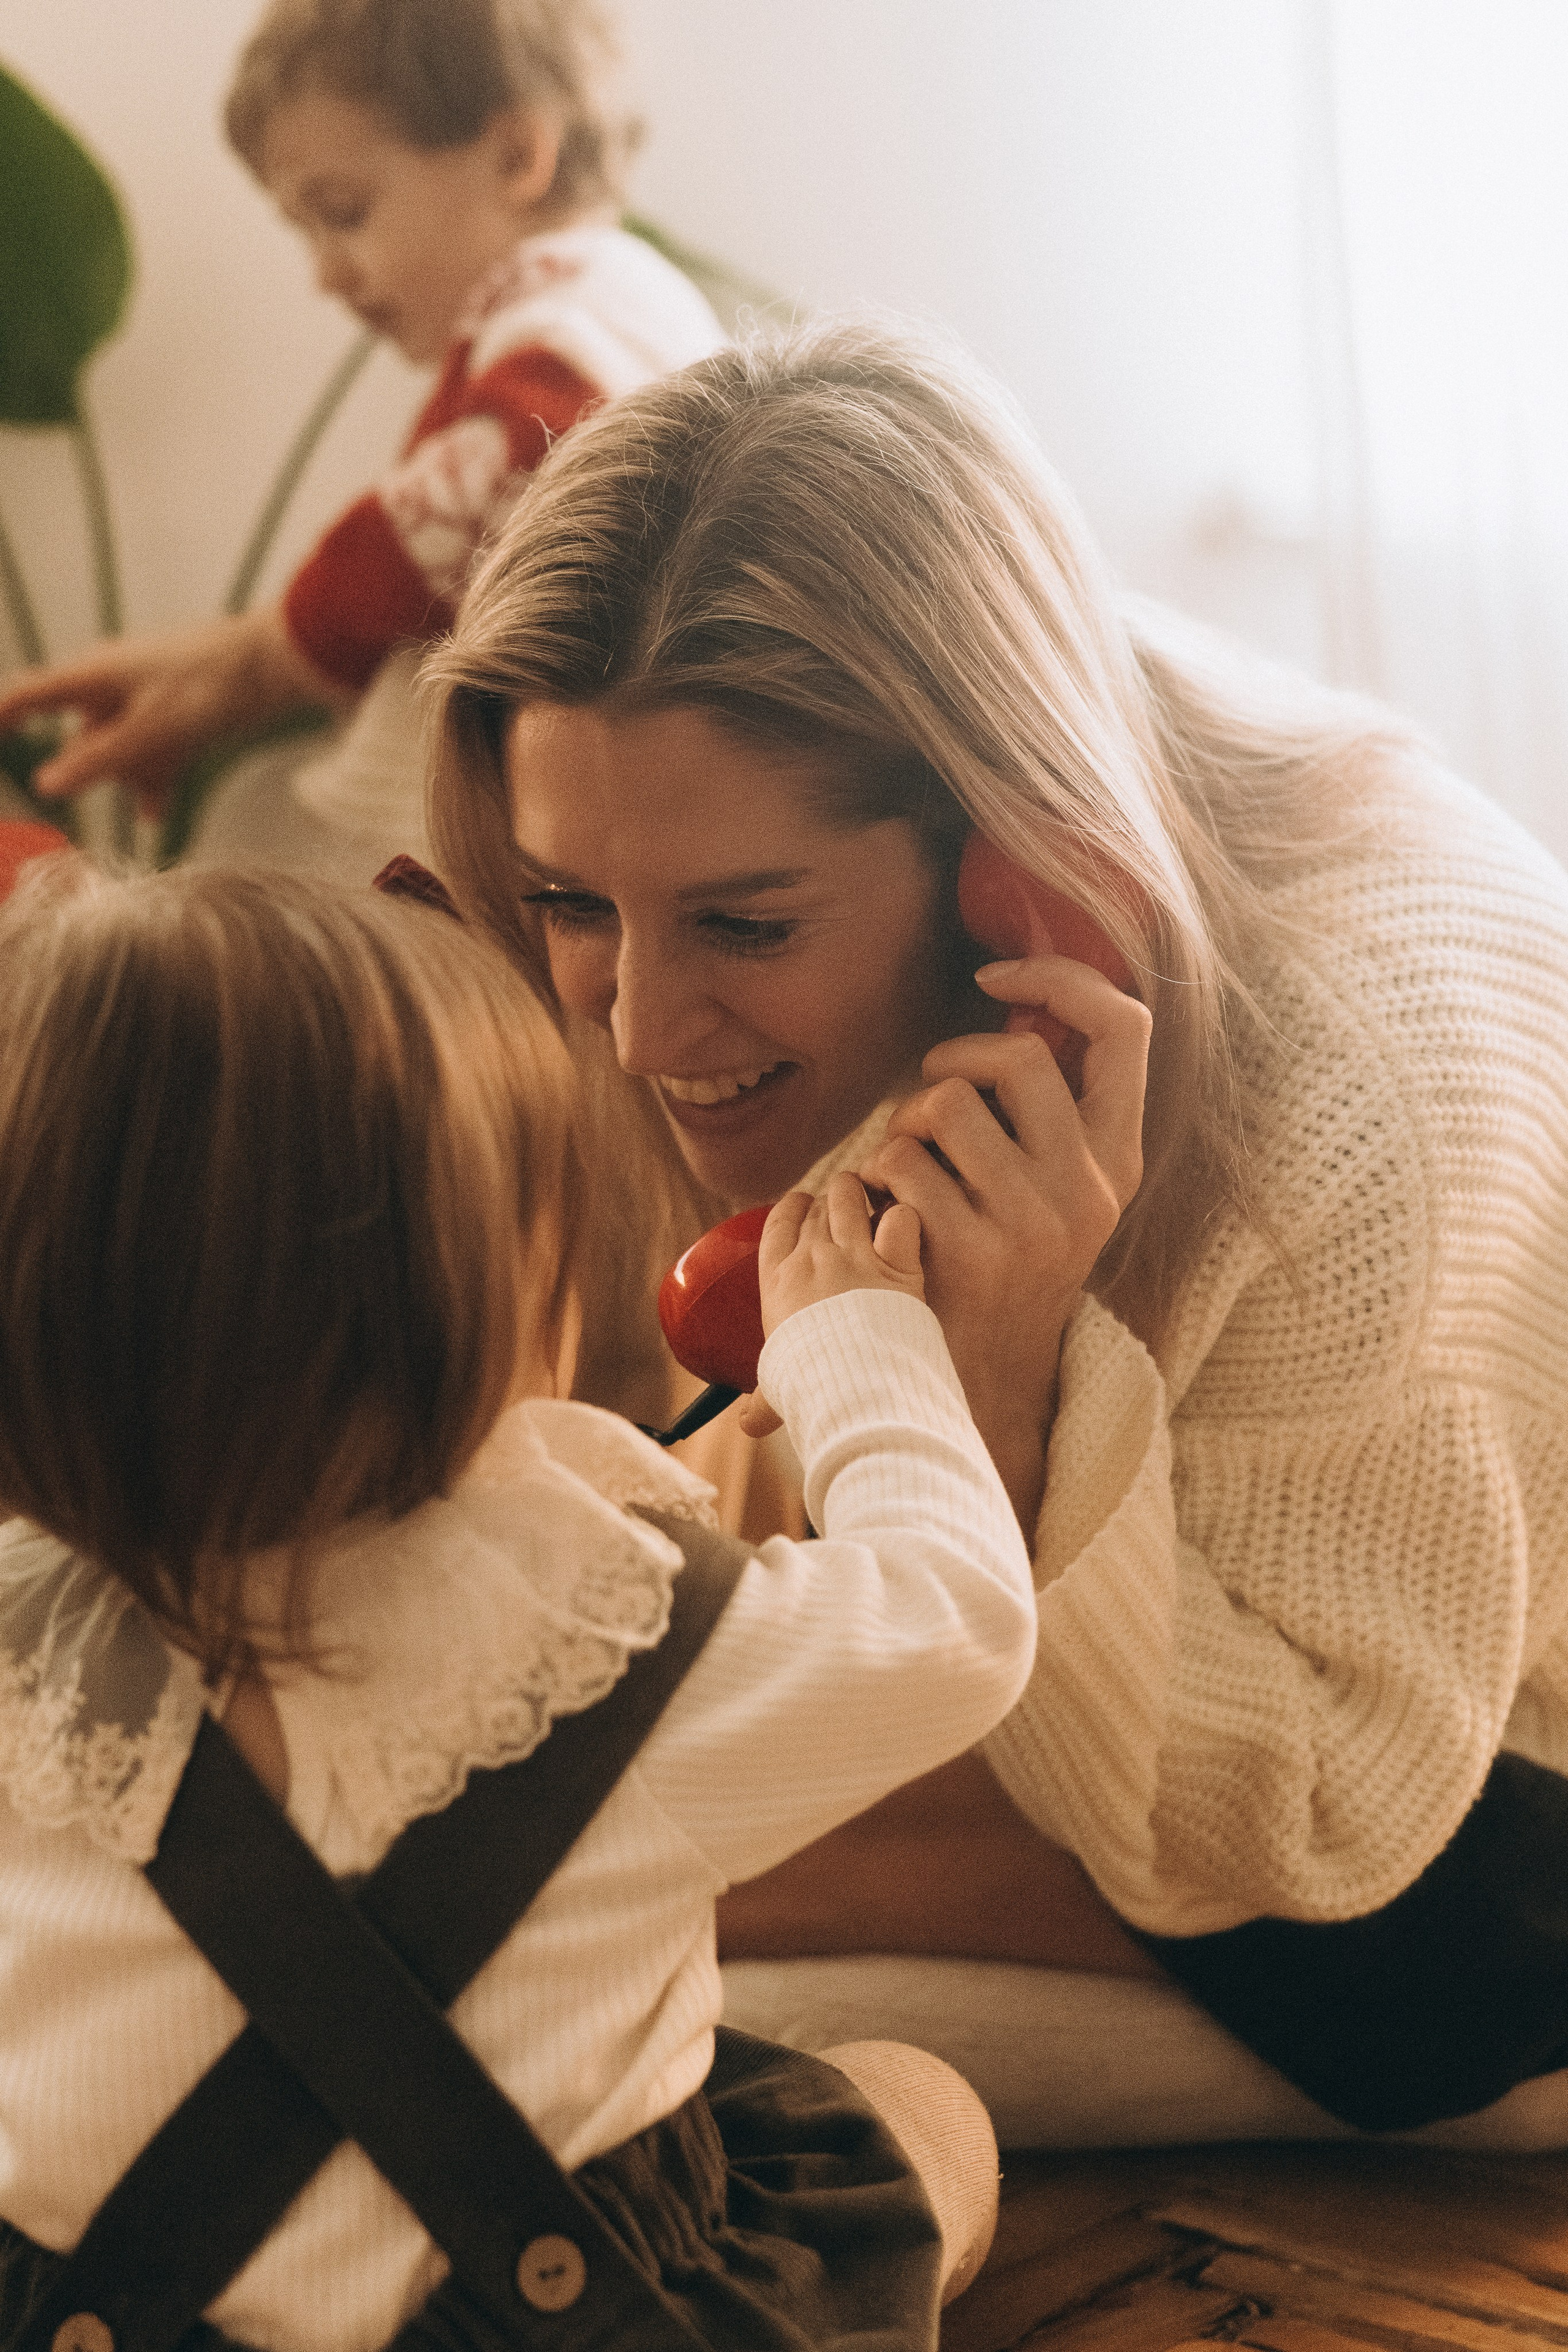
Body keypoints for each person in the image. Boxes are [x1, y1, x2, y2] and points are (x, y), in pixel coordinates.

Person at [418, 315, 1568, 2152]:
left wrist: (1015, 1393)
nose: (635, 1030)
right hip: (1207, 1771)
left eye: (744, 925)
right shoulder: (931, 822)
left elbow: (1324, 1835)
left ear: (1013, 869)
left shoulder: (1361, 1111)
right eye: (575, 903)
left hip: (1451, 1830)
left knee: (549, 1940)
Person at [0, 858, 1041, 2348]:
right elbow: (957, 1617)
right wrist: (857, 1346)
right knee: (903, 2104)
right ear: (485, 1289)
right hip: (568, 2316)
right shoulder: (613, 1623)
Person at [0, 0, 724, 878]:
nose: (326, 276)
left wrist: (276, 651)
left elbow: (490, 481)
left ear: (516, 154)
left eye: (342, 213)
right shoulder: (598, 307)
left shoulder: (573, 320)